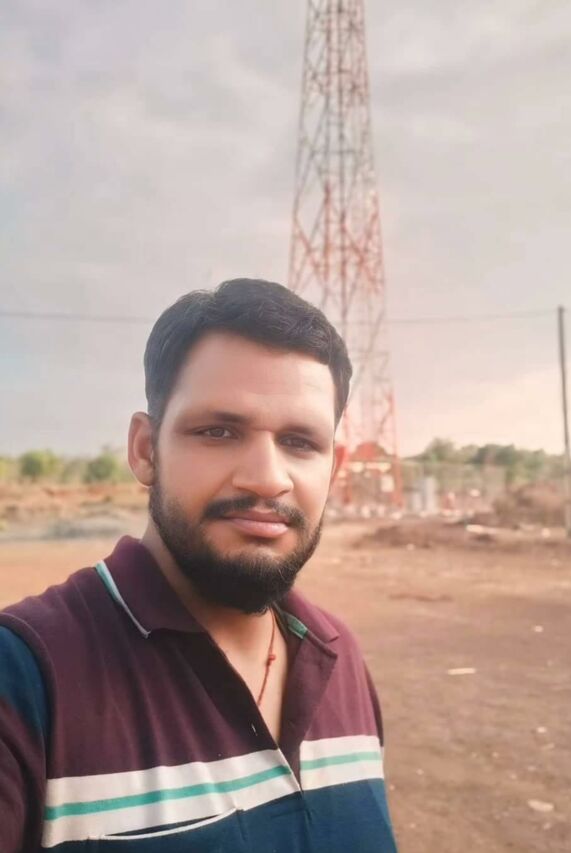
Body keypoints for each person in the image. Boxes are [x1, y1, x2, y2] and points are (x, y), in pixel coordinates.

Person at [0, 279, 398, 852]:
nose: (267, 478)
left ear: (331, 469)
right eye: (218, 432)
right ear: (145, 450)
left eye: (299, 442)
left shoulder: (339, 657)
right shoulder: (24, 679)